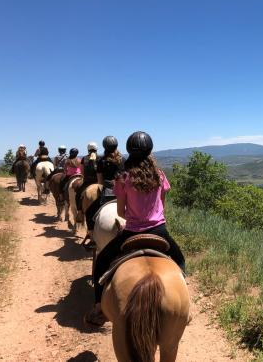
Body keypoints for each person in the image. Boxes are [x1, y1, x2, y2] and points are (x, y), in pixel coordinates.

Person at [84, 131, 185, 326]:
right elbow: (162, 206)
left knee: (102, 262)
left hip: (132, 232)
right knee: (180, 260)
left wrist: (133, 216)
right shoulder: (159, 175)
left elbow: (121, 212)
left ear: (129, 151)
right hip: (159, 230)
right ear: (150, 151)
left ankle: (98, 307)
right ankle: (184, 307)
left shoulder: (123, 178)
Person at [82, 136, 125, 244]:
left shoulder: (101, 161)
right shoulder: (123, 160)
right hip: (124, 194)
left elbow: (100, 182)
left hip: (108, 194)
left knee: (89, 212)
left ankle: (92, 238)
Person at [75, 142, 99, 212]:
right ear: (96, 149)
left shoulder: (84, 158)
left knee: (78, 195)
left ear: (88, 149)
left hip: (87, 182)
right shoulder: (100, 158)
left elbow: (82, 172)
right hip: (98, 182)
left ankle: (79, 212)